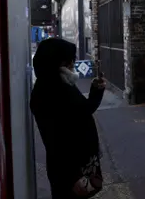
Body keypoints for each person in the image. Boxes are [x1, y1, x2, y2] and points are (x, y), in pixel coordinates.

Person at [30, 38, 105, 198]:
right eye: (70, 59)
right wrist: (73, 176)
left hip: (78, 165)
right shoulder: (51, 91)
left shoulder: (61, 83)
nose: (73, 63)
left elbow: (83, 110)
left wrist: (96, 90)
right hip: (70, 170)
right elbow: (56, 141)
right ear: (57, 62)